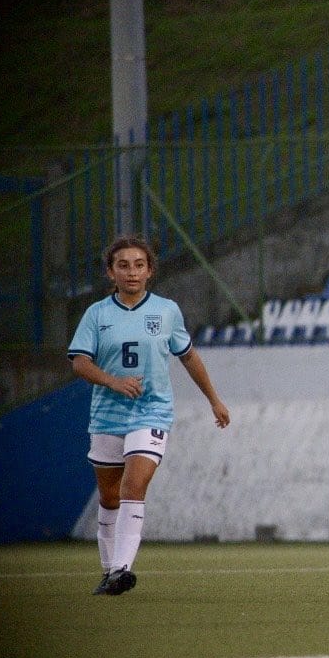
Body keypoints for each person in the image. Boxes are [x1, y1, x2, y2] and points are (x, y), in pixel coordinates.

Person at [68, 234, 230, 596]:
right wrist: (113, 381)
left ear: (150, 270)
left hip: (152, 411)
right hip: (108, 415)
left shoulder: (166, 311)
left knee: (134, 485)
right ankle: (110, 570)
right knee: (109, 497)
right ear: (111, 273)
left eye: (139, 265)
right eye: (123, 265)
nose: (132, 272)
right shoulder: (97, 314)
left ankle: (122, 568)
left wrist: (214, 400)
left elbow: (188, 356)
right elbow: (80, 362)